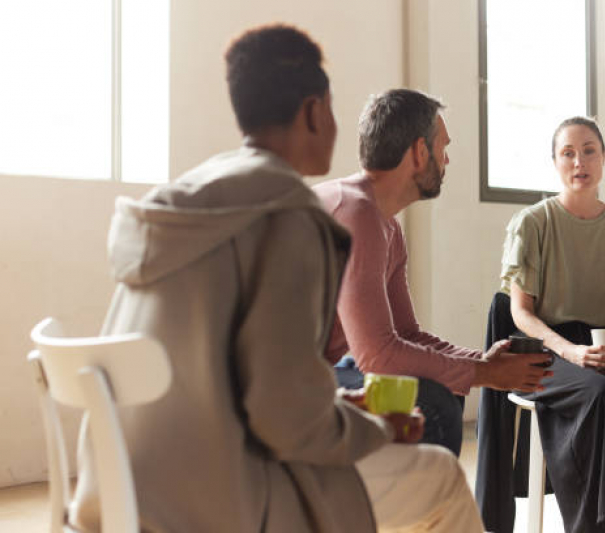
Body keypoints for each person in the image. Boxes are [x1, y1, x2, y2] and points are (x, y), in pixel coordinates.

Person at [69, 24, 483, 533]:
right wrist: (370, 426)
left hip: (116, 490)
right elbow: (284, 422)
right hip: (215, 497)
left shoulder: (183, 200)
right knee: (440, 476)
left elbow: (244, 381)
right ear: (314, 111)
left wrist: (343, 406)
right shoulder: (288, 216)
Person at [314, 89, 553, 457]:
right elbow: (377, 356)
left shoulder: (386, 227)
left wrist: (481, 362)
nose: (447, 159)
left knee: (442, 388)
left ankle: (418, 507)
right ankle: (421, 510)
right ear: (419, 153)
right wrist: (485, 375)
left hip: (321, 372)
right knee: (433, 401)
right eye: (442, 147)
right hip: (278, 383)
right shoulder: (355, 212)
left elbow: (406, 334)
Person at [482, 116, 605, 532]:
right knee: (599, 396)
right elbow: (519, 312)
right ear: (555, 162)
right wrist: (570, 351)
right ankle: (592, 524)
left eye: (589, 150)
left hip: (603, 345)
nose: (579, 161)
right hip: (545, 349)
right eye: (568, 153)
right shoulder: (533, 224)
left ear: (603, 158)